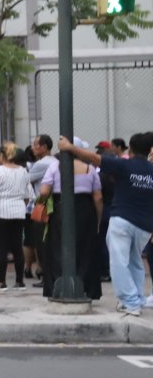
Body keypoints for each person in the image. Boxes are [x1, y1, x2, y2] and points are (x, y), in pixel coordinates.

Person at [59, 133, 153, 316]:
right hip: (144, 225)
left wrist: (70, 148)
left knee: (119, 262)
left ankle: (130, 302)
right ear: (149, 150)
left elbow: (94, 158)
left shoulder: (124, 165)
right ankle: (137, 298)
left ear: (130, 150)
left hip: (122, 220)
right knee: (135, 262)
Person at [39, 138, 103, 301]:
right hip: (85, 211)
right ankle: (86, 288)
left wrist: (43, 203)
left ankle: (57, 286)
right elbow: (98, 198)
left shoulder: (55, 166)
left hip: (61, 209)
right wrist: (98, 219)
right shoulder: (90, 168)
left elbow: (45, 191)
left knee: (57, 247)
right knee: (86, 248)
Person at [0, 142, 33, 290]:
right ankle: (19, 281)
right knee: (17, 246)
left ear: (2, 155)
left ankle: (2, 282)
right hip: (19, 212)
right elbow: (27, 195)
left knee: (2, 247)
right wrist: (20, 204)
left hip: (0, 211)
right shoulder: (23, 171)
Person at [26, 134, 56, 280]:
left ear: (44, 147)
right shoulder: (55, 161)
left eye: (35, 145)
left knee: (40, 241)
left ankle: (45, 273)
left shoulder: (41, 164)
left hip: (42, 206)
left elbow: (25, 180)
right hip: (54, 205)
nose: (33, 147)